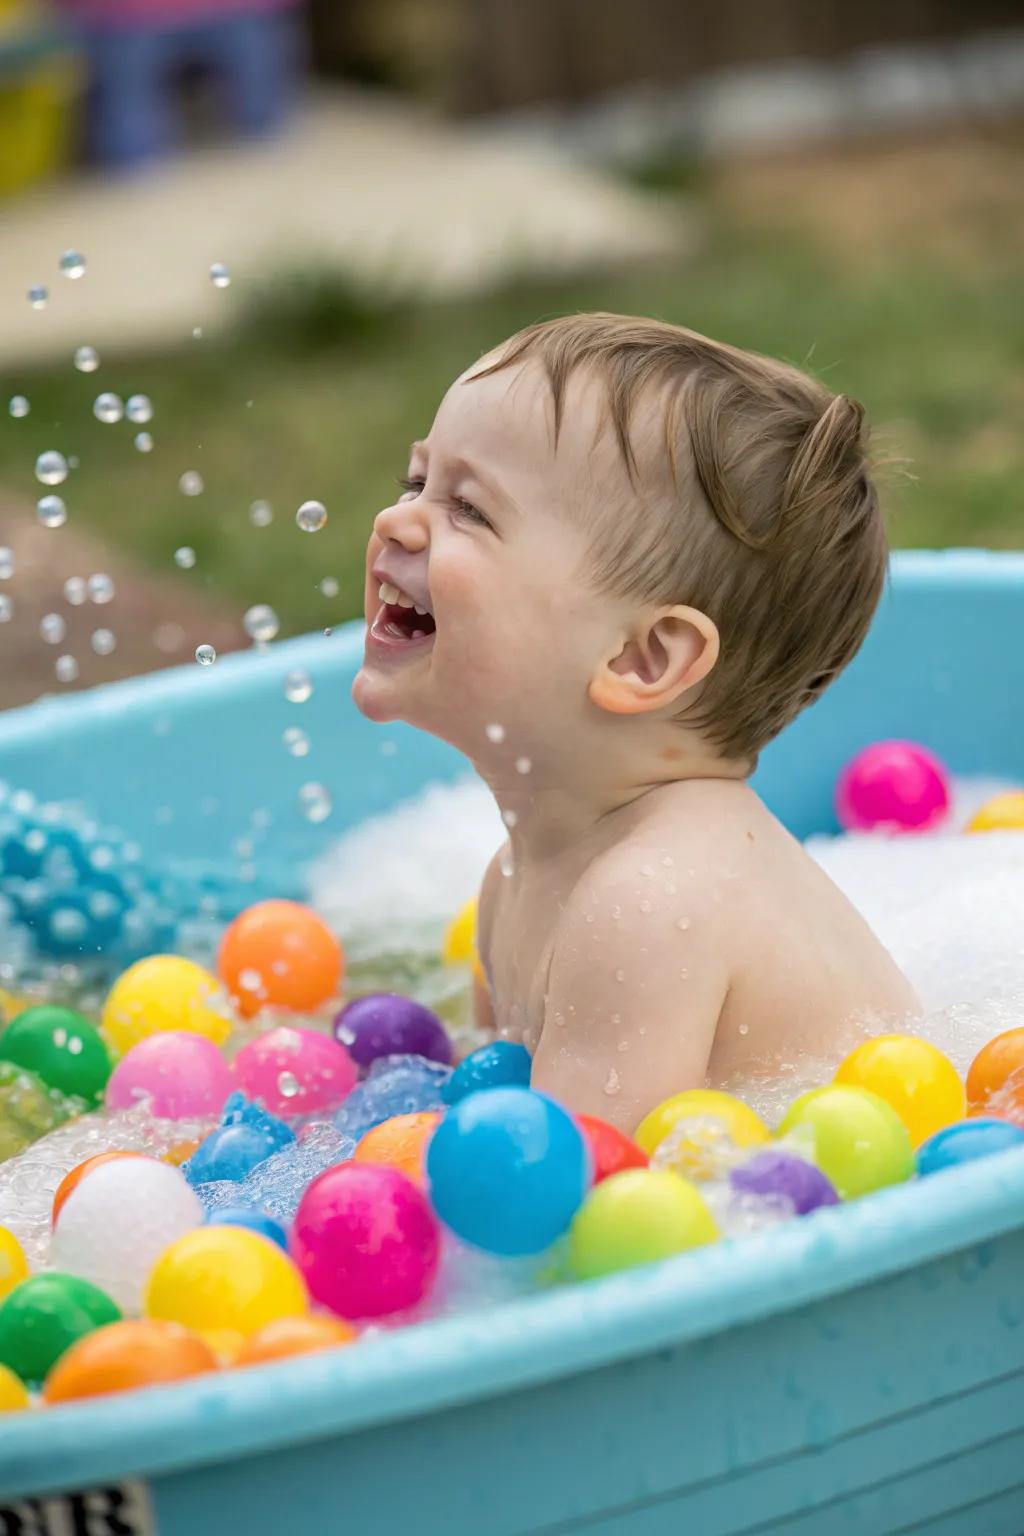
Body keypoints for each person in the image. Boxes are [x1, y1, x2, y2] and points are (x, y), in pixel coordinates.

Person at [353, 313, 920, 1131]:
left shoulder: (647, 902)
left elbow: (573, 1186)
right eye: (417, 484)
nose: (396, 520)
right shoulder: (514, 880)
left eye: (469, 509)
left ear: (642, 659)